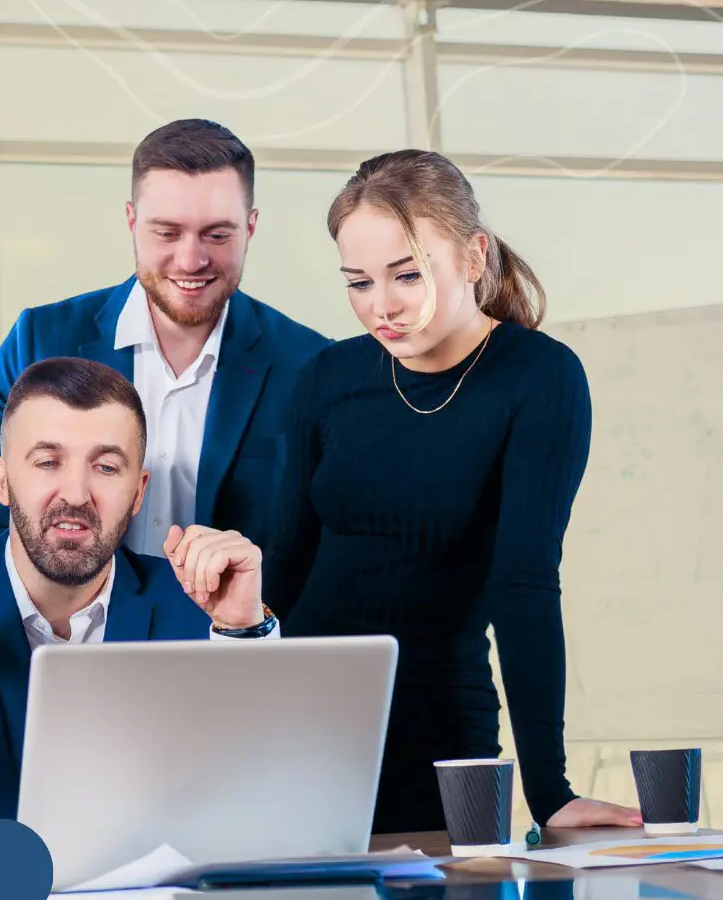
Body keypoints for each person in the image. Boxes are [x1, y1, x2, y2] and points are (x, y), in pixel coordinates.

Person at [265, 149, 640, 836]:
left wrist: (550, 791)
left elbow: (524, 584)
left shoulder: (538, 377)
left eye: (408, 274)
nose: (382, 306)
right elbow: (286, 562)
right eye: (358, 282)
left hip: (439, 735)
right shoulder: (326, 376)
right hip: (298, 725)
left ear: (474, 257)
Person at [0, 357, 277, 817]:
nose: (76, 494)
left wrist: (243, 633)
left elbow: (269, 803)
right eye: (48, 462)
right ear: (2, 479)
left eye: (106, 467)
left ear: (139, 491)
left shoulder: (198, 603)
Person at [0, 119, 328, 556]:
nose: (190, 260)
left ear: (249, 228)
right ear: (132, 221)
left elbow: (322, 546)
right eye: (167, 233)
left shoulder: (312, 366)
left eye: (217, 235)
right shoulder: (36, 342)